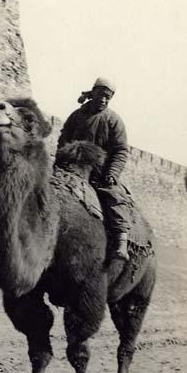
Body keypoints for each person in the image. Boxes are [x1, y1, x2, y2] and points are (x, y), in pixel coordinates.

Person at [57, 77, 131, 260]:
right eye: (101, 95)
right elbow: (64, 139)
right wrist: (64, 158)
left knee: (114, 197)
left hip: (99, 173)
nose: (104, 100)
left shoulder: (113, 120)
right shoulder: (76, 116)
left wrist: (112, 173)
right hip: (72, 168)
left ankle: (122, 239)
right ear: (93, 93)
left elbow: (121, 151)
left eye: (108, 97)